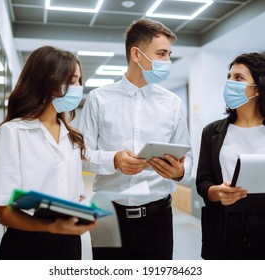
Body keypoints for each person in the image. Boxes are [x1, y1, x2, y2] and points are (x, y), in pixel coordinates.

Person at [77, 18, 193, 260]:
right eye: (161, 54)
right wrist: (115, 160)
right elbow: (81, 154)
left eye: (169, 54)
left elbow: (187, 157)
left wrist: (179, 171)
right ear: (136, 54)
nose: (167, 61)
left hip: (157, 217)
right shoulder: (99, 99)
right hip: (107, 213)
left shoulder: (172, 103)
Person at [196, 52, 265, 260]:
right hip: (224, 231)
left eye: (239, 78)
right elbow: (203, 183)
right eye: (229, 77)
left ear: (258, 88)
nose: (230, 83)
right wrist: (217, 192)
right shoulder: (212, 132)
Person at [0, 46, 96, 260]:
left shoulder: (72, 138)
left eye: (79, 81)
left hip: (70, 245)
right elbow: (3, 211)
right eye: (72, 80)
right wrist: (51, 227)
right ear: (48, 81)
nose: (78, 87)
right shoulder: (13, 132)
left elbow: (75, 195)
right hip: (27, 246)